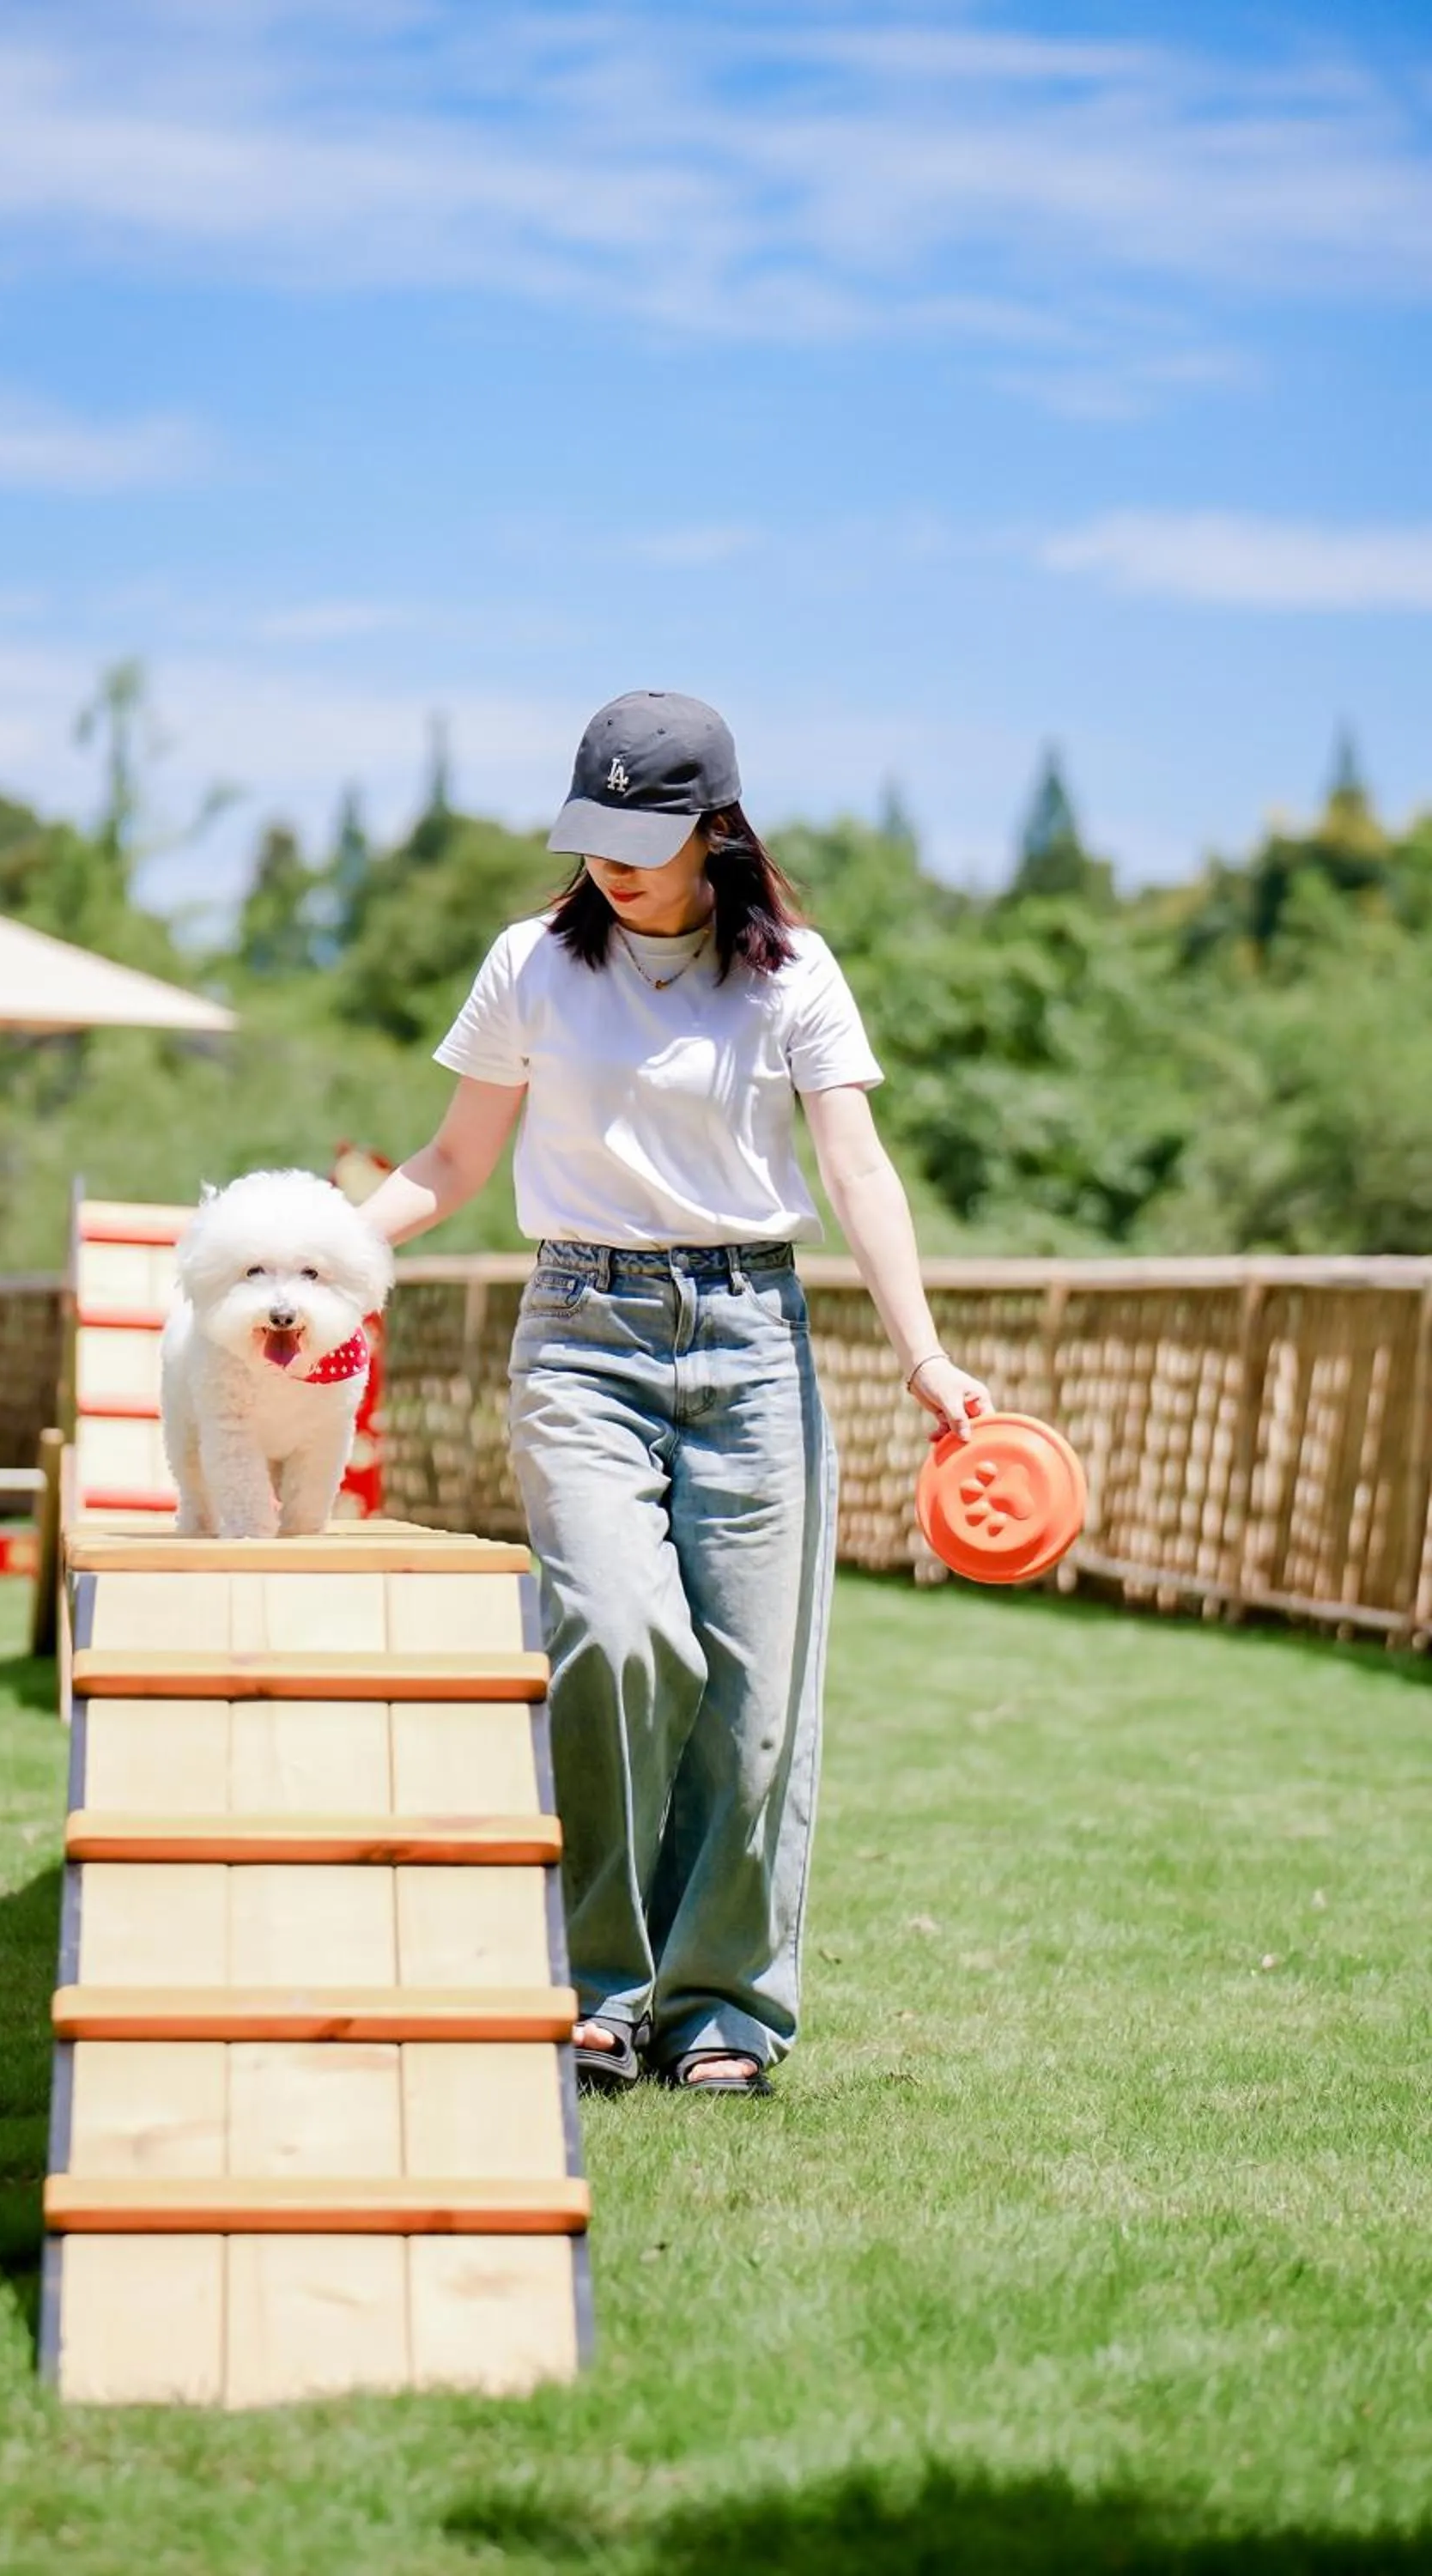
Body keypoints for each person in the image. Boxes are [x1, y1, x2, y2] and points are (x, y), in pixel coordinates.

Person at [361, 691, 990, 2096]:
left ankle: (720, 2010)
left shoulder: (792, 977)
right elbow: (455, 1161)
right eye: (594, 837)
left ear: (716, 827)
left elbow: (859, 1172)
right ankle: (598, 1982)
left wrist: (925, 1354)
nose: (613, 866)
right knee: (621, 1632)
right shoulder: (529, 964)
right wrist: (322, 1244)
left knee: (757, 1702)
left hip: (754, 1338)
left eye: (642, 839)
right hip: (582, 1329)